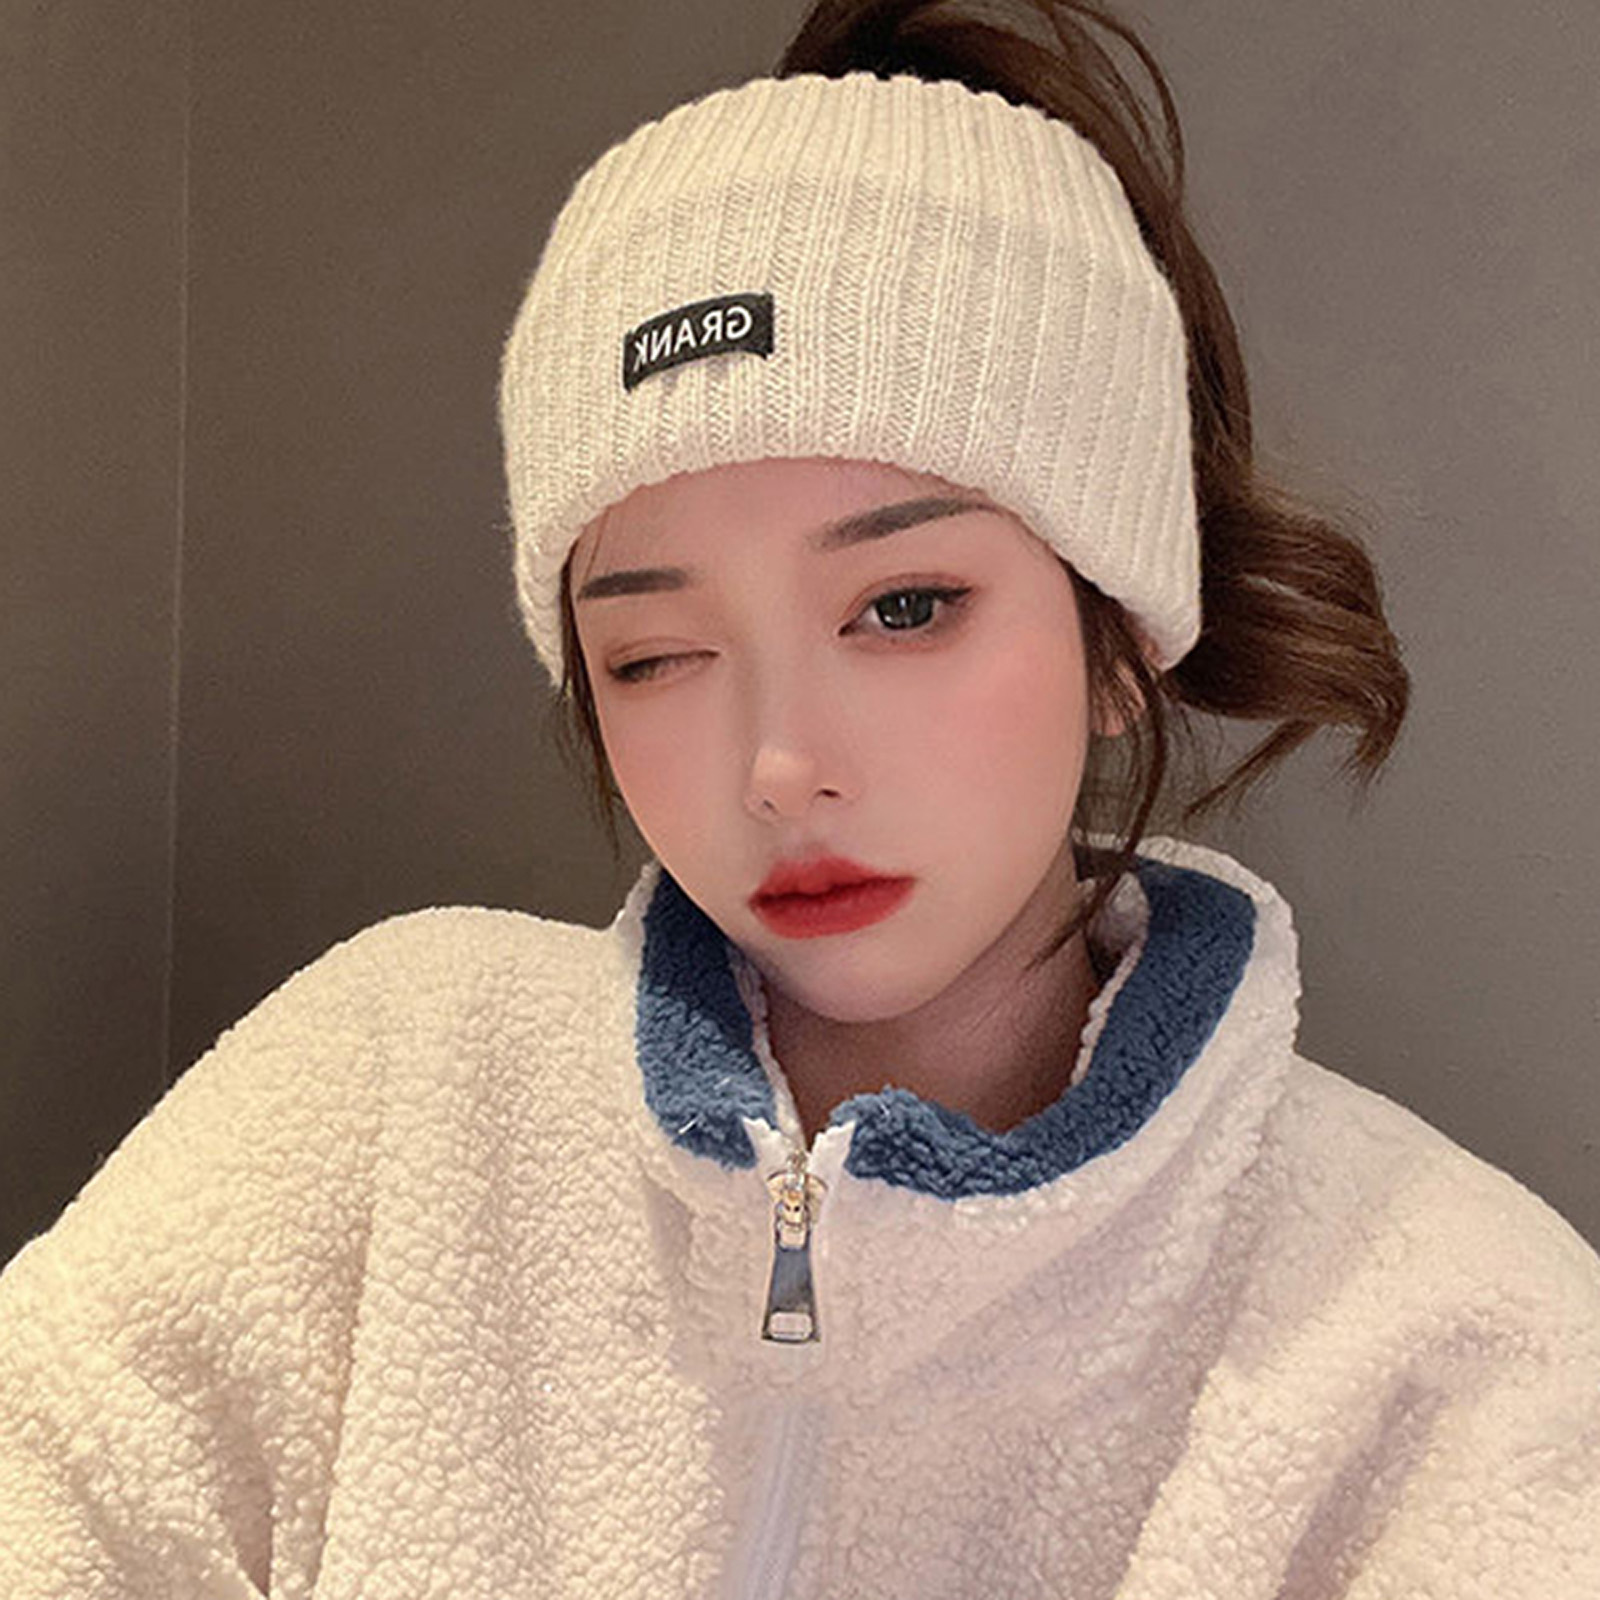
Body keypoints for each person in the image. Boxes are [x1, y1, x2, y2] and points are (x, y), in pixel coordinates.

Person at [3, 1, 1598, 1595]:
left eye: (904, 607)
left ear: (1119, 633)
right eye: (655, 654)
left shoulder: (1453, 1348)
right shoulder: (383, 1102)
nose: (779, 765)